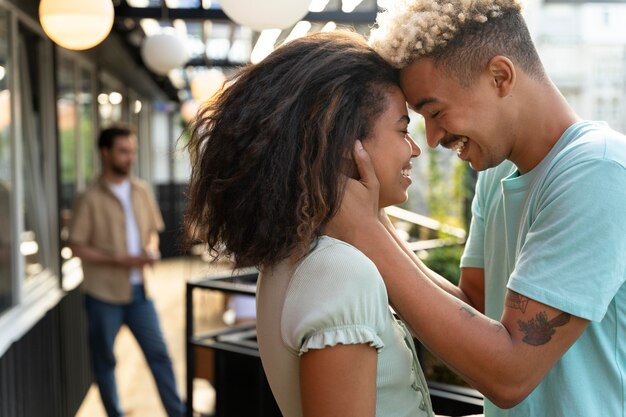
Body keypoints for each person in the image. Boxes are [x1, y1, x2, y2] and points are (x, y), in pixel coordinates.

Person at [328, 0, 626, 416]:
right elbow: (474, 312)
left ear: (500, 76)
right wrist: (375, 220)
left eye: (435, 111)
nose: (431, 138)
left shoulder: (598, 171)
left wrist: (366, 235)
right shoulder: (495, 171)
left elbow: (509, 374)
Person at [184, 31, 435, 417]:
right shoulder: (343, 271)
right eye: (403, 130)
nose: (415, 148)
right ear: (348, 144)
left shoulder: (298, 255)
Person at [68, 125, 184, 417]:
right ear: (105, 152)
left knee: (159, 355)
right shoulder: (88, 198)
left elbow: (152, 232)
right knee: (105, 361)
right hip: (103, 294)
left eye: (131, 151)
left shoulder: (141, 190)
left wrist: (151, 248)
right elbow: (76, 246)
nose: (129, 157)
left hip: (139, 292)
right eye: (122, 151)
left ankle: (178, 412)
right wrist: (117, 260)